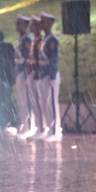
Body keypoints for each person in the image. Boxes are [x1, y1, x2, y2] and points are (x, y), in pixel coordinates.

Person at [36, 11, 61, 140]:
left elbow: (53, 59)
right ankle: (48, 128)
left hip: (50, 74)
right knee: (45, 103)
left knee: (51, 103)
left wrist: (52, 77)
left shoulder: (52, 40)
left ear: (50, 23)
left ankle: (54, 130)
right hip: (43, 73)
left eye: (44, 21)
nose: (42, 24)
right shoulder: (45, 39)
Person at [24, 15, 44, 139]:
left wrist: (36, 72)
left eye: (33, 25)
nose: (31, 27)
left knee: (38, 102)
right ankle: (37, 127)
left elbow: (38, 58)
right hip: (32, 73)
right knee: (33, 102)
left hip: (36, 74)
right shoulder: (35, 40)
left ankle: (41, 128)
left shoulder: (39, 40)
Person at [13, 15, 32, 134]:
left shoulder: (26, 40)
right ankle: (24, 124)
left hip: (23, 72)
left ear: (25, 26)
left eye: (19, 23)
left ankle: (27, 125)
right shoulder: (21, 39)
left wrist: (26, 74)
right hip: (19, 70)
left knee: (25, 100)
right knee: (21, 100)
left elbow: (27, 58)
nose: (17, 25)